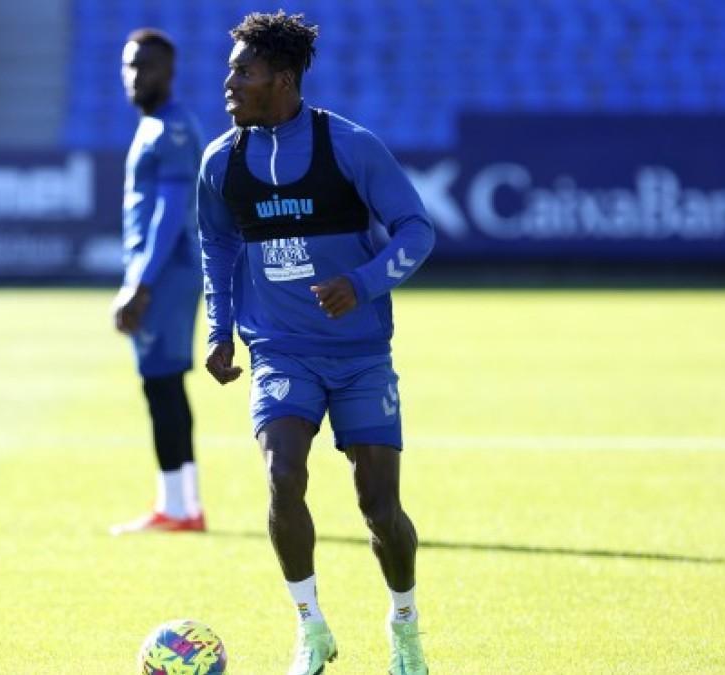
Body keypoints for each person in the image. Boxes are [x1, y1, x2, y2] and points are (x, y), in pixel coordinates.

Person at [196, 11, 433, 675]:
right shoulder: (223, 161)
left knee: (379, 508)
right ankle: (311, 627)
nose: (230, 80)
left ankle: (404, 625)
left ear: (285, 76)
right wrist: (219, 328)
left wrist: (360, 283)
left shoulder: (349, 146)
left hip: (359, 356)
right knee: (282, 474)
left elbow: (417, 230)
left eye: (244, 69)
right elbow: (216, 243)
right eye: (232, 67)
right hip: (279, 350)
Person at [109, 28, 207, 535]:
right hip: (166, 273)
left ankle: (177, 508)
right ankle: (182, 504)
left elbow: (170, 211)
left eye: (144, 66)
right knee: (165, 386)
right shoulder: (159, 125)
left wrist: (141, 282)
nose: (134, 76)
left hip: (166, 274)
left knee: (161, 386)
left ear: (169, 72)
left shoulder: (168, 129)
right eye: (128, 65)